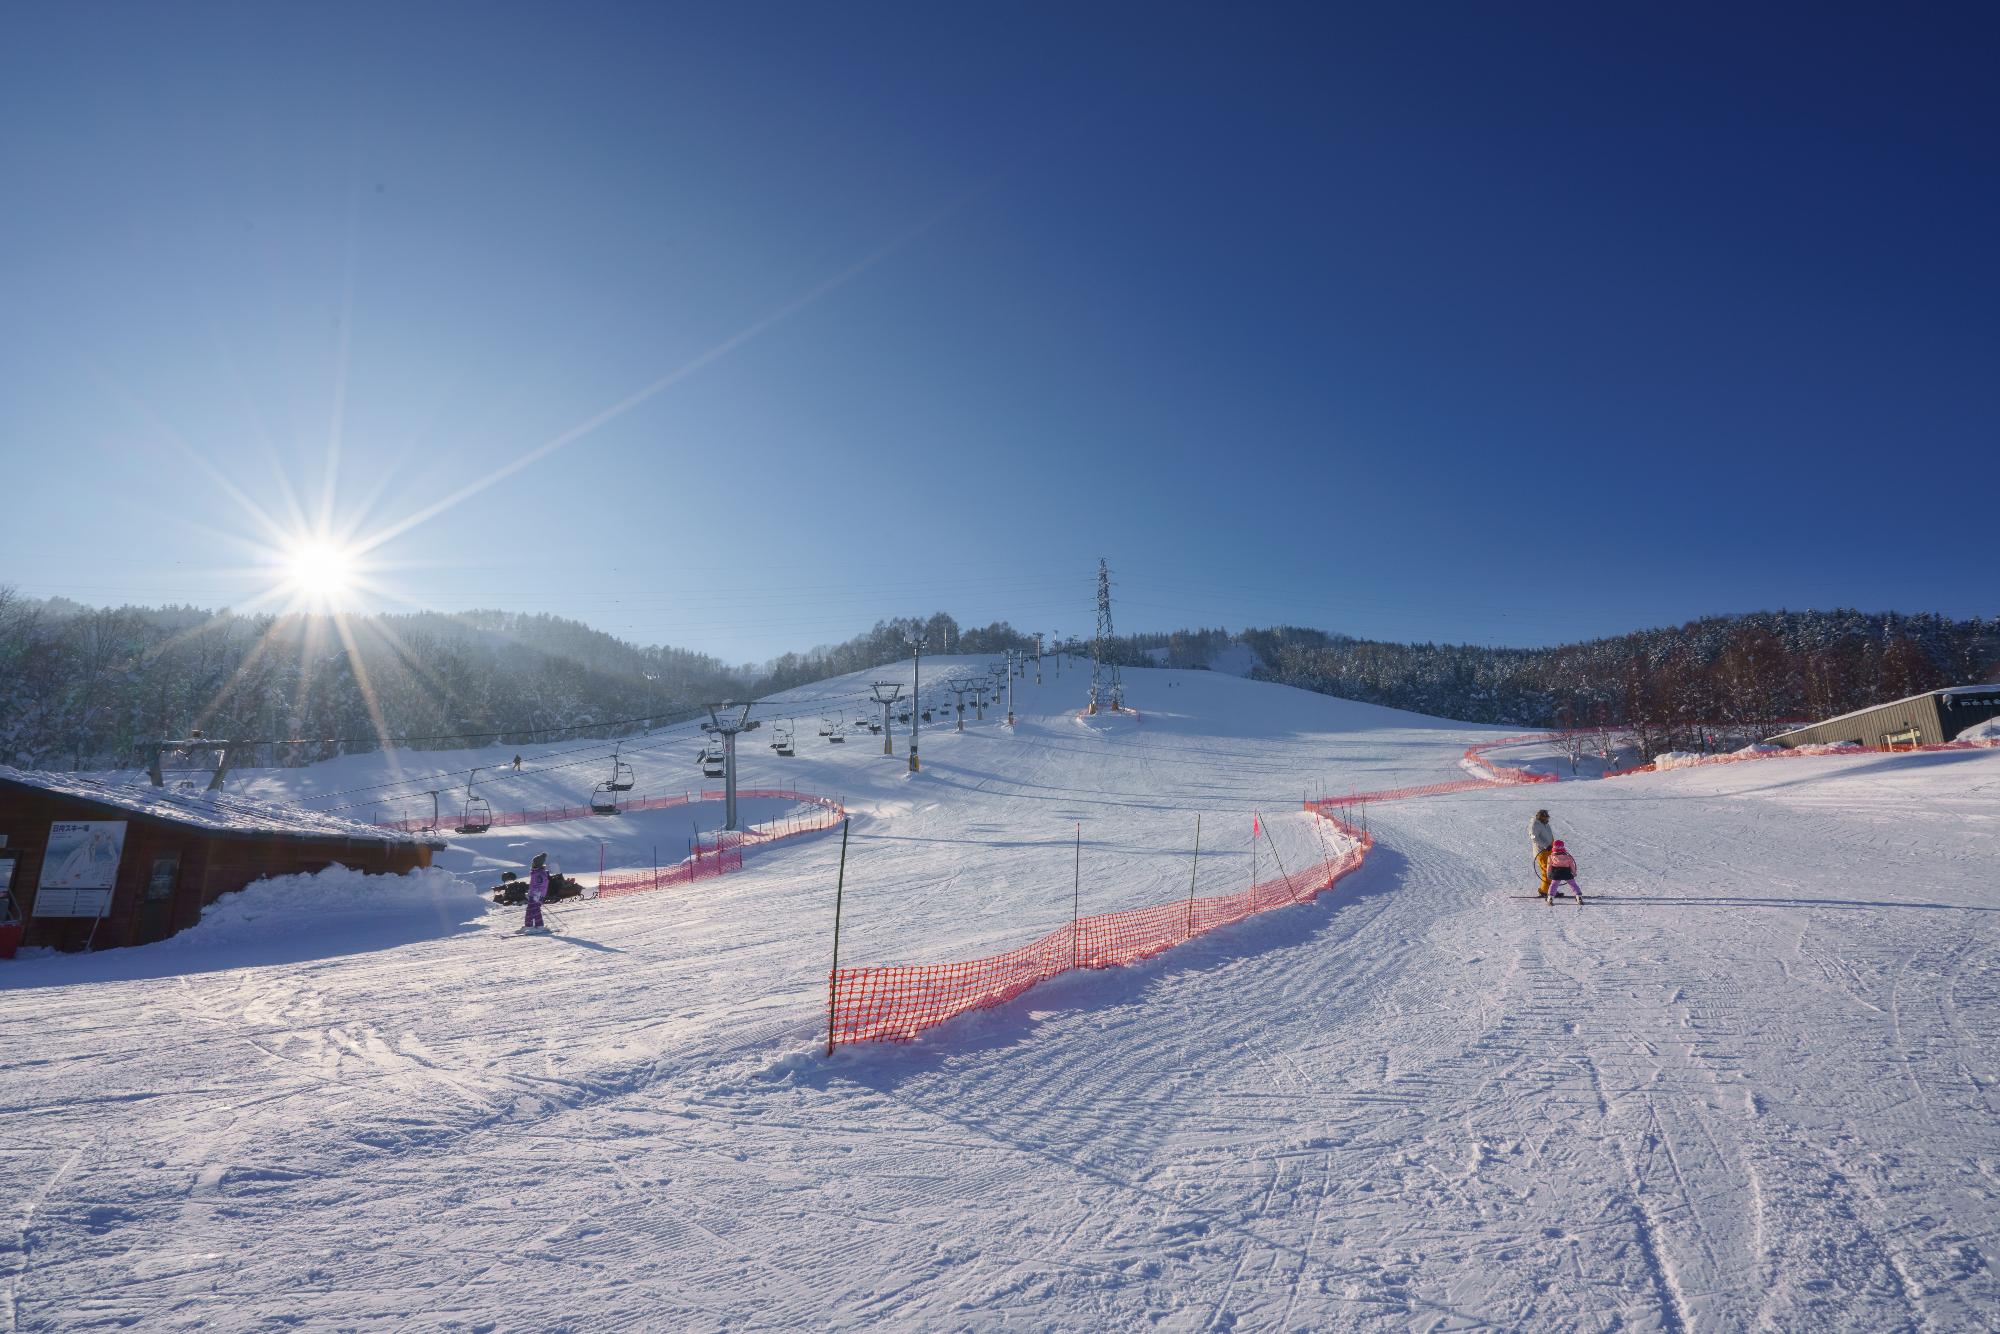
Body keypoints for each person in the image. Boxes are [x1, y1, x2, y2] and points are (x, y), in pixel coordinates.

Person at [524, 852, 550, 933]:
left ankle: (539, 926)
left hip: (537, 895)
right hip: (534, 894)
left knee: (534, 910)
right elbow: (533, 885)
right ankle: (529, 926)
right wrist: (530, 893)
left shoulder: (539, 874)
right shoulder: (535, 872)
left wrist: (537, 894)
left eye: (534, 863)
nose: (532, 864)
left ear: (537, 864)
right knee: (530, 910)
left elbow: (540, 886)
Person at [1530, 809, 1554, 896]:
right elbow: (1533, 837)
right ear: (1540, 817)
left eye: (1547, 817)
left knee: (1551, 870)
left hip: (1549, 850)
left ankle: (1551, 889)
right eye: (1544, 817)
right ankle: (1544, 890)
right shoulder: (1535, 824)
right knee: (1545, 870)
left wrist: (1553, 844)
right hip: (1541, 851)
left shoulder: (1545, 824)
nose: (1546, 819)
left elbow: (1550, 835)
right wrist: (1545, 845)